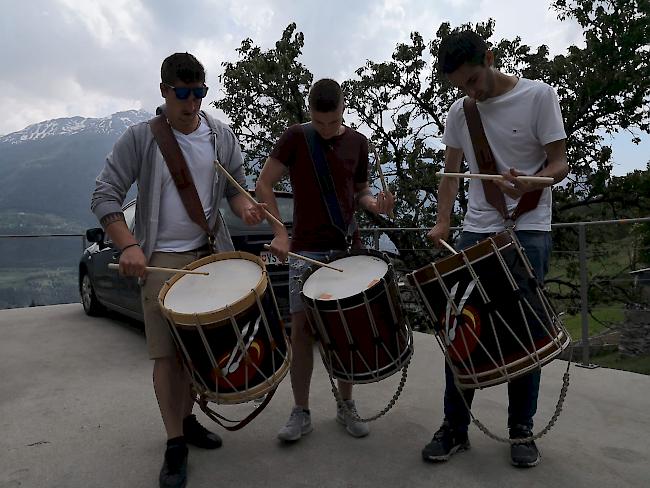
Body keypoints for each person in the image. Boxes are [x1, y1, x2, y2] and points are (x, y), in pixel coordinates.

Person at [91, 52, 265, 488]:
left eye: (199, 93)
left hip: (209, 254)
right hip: (160, 261)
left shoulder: (220, 136)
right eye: (183, 94)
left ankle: (186, 422)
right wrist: (128, 244)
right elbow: (104, 194)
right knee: (167, 356)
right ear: (164, 91)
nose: (192, 103)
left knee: (201, 353)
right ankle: (174, 443)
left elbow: (235, 190)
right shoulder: (141, 139)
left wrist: (246, 208)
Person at [424, 31, 569, 467]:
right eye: (460, 87)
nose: (470, 92)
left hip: (529, 229)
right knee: (462, 329)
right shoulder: (460, 113)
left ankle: (520, 431)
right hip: (476, 230)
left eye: (473, 80)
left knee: (524, 333)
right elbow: (450, 175)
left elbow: (560, 163)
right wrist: (444, 219)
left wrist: (533, 181)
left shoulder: (539, 96)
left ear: (490, 58)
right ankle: (455, 427)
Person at [255, 78, 395, 442]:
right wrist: (280, 233)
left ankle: (345, 405)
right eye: (319, 124)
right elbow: (264, 183)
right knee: (301, 330)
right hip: (305, 248)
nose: (327, 130)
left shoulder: (358, 143)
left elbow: (361, 191)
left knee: (344, 328)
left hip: (347, 246)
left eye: (333, 123)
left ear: (343, 110)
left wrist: (374, 203)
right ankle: (300, 411)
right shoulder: (295, 138)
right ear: (310, 113)